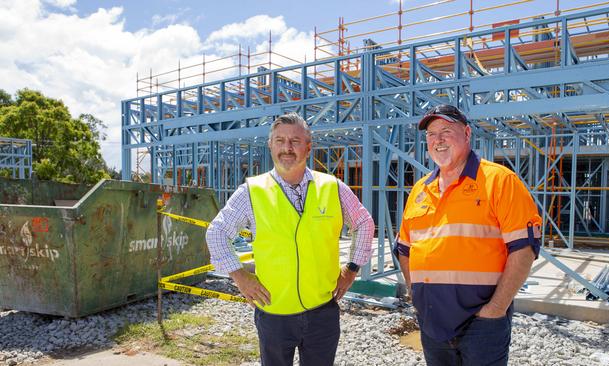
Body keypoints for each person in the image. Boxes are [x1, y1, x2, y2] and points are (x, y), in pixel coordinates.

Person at [205, 113, 375, 366]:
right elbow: (216, 232)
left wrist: (351, 269)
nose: (287, 148)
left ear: (308, 146)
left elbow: (364, 223)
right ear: (271, 145)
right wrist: (240, 277)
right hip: (274, 312)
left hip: (322, 311)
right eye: (280, 140)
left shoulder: (332, 187)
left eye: (295, 141)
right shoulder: (252, 191)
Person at [394, 104, 542, 365]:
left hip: (481, 324)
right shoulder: (419, 190)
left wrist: (495, 309)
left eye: (446, 131)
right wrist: (415, 295)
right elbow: (404, 248)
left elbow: (524, 248)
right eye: (431, 134)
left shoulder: (499, 181)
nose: (438, 139)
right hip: (432, 323)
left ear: (467, 133)